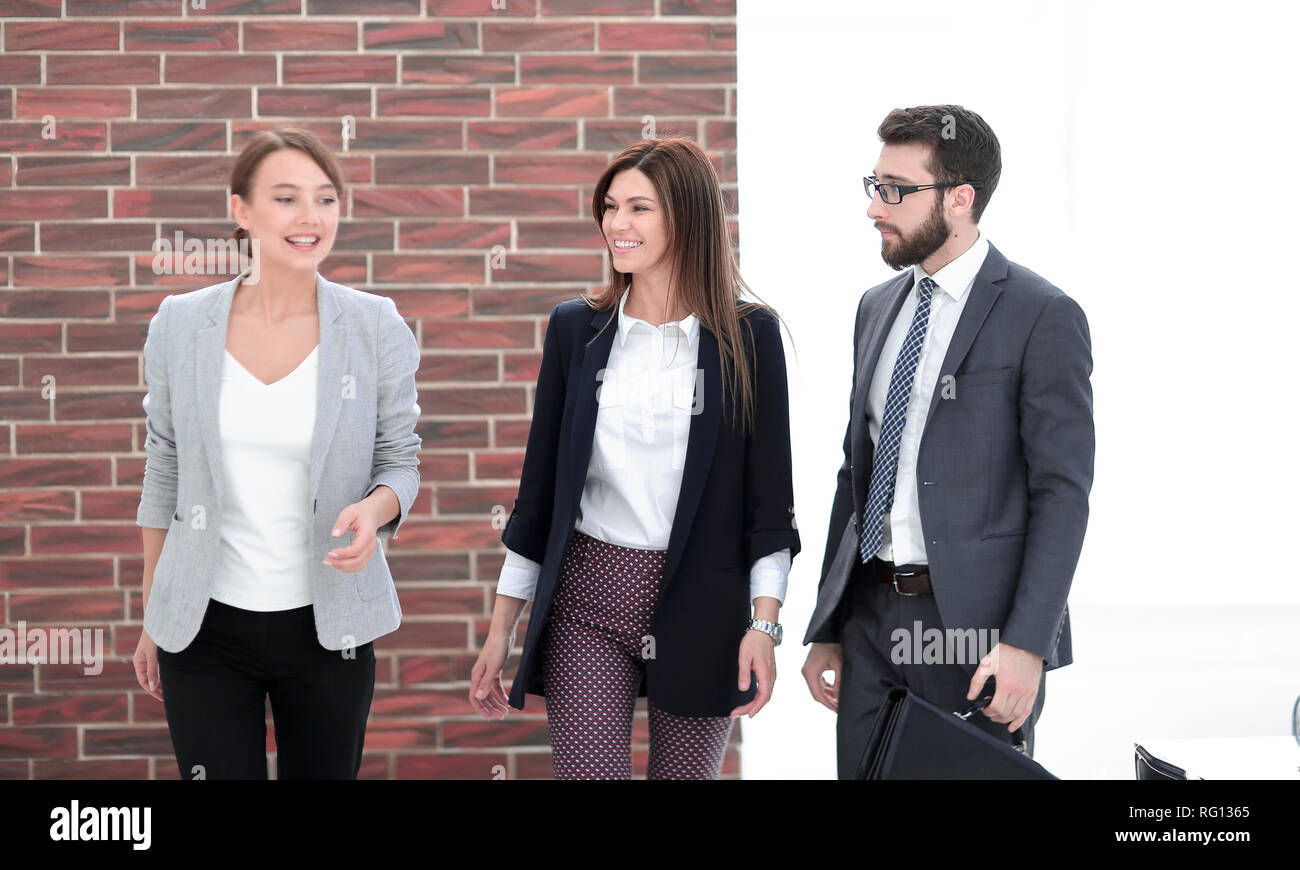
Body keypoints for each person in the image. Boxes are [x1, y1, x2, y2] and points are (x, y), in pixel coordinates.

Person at [468, 135, 801, 780]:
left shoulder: (749, 338)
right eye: (610, 206)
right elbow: (538, 494)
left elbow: (769, 506)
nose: (616, 224)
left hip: (702, 600)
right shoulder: (576, 329)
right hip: (588, 595)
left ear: (688, 218)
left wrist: (765, 625)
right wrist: (501, 628)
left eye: (639, 208)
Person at [801, 105, 1094, 779]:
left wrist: (1028, 643)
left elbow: (1063, 494)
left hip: (977, 634)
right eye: (873, 185)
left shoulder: (1041, 315)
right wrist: (830, 625)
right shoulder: (876, 306)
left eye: (896, 190)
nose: (876, 207)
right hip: (872, 619)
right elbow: (857, 474)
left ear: (961, 199)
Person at [131, 127, 421, 780]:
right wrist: (157, 612)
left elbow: (400, 460)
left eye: (325, 199)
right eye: (286, 198)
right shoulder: (181, 324)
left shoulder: (375, 327)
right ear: (242, 210)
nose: (310, 217)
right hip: (204, 629)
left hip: (328, 630)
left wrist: (375, 513)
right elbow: (165, 471)